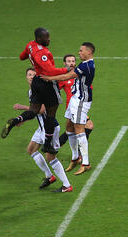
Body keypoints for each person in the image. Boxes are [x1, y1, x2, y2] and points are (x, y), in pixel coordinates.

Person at [1, 27, 72, 155]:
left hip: (36, 82)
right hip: (46, 82)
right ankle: (47, 144)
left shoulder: (30, 45)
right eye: (46, 37)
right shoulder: (42, 53)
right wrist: (66, 69)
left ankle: (16, 121)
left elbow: (21, 56)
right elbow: (50, 71)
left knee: (33, 110)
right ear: (39, 39)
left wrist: (32, 57)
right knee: (51, 113)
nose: (49, 39)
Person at [13, 67, 73, 192]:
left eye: (33, 75)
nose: (31, 77)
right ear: (26, 77)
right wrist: (24, 120)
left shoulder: (41, 89)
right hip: (41, 128)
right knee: (31, 149)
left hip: (50, 128)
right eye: (29, 74)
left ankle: (67, 185)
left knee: (50, 157)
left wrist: (22, 107)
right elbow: (35, 112)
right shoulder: (31, 92)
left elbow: (42, 110)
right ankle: (50, 176)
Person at [41, 42, 95, 175]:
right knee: (69, 128)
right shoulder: (84, 64)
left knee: (79, 130)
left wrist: (48, 78)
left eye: (81, 51)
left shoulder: (86, 65)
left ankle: (85, 163)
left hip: (81, 101)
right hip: (74, 99)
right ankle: (75, 158)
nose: (79, 53)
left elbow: (66, 76)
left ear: (89, 52)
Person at [57, 54, 94, 152]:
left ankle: (54, 147)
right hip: (72, 107)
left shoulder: (79, 72)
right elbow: (55, 89)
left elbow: (88, 86)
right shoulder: (64, 77)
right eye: (69, 61)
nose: (71, 63)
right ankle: (80, 153)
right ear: (64, 63)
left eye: (73, 61)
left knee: (73, 130)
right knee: (86, 127)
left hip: (80, 105)